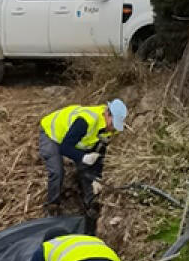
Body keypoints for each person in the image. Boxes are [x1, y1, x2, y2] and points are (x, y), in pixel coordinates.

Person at [38, 98, 128, 234]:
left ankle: (90, 206)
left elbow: (99, 154)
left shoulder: (109, 129)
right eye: (113, 123)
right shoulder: (86, 121)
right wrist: (82, 157)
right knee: (57, 171)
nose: (113, 128)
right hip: (52, 134)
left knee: (87, 171)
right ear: (107, 114)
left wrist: (96, 178)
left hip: (76, 141)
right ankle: (53, 206)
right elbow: (64, 147)